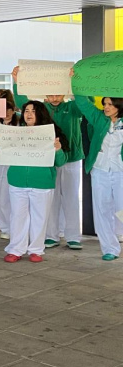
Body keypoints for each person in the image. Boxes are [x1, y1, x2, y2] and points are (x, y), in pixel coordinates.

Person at [12, 66, 84, 250]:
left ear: (65, 93)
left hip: (71, 158)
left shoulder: (73, 108)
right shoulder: (42, 109)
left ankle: (73, 236)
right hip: (45, 160)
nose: (54, 98)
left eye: (58, 94)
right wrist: (16, 81)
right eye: (50, 95)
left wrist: (76, 83)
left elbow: (85, 102)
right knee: (50, 200)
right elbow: (23, 102)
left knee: (71, 198)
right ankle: (51, 235)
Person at [0, 101, 68, 263]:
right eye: (26, 110)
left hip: (42, 183)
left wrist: (58, 149)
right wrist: (0, 148)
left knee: (39, 217)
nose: (28, 114)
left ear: (40, 114)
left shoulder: (51, 134)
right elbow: (5, 157)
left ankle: (36, 250)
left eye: (33, 111)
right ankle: (16, 249)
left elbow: (61, 162)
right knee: (17, 217)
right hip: (17, 181)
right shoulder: (15, 134)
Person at [73, 88, 123, 261]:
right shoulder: (99, 118)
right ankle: (109, 248)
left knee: (121, 209)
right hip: (100, 169)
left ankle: (119, 235)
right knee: (102, 209)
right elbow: (83, 104)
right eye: (105, 104)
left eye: (110, 104)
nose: (106, 107)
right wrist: (77, 84)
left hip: (120, 171)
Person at [0, 88, 20, 240]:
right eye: (4, 110)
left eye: (9, 110)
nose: (7, 113)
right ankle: (5, 226)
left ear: (13, 110)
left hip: (14, 162)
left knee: (12, 195)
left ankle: (15, 227)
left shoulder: (20, 123)